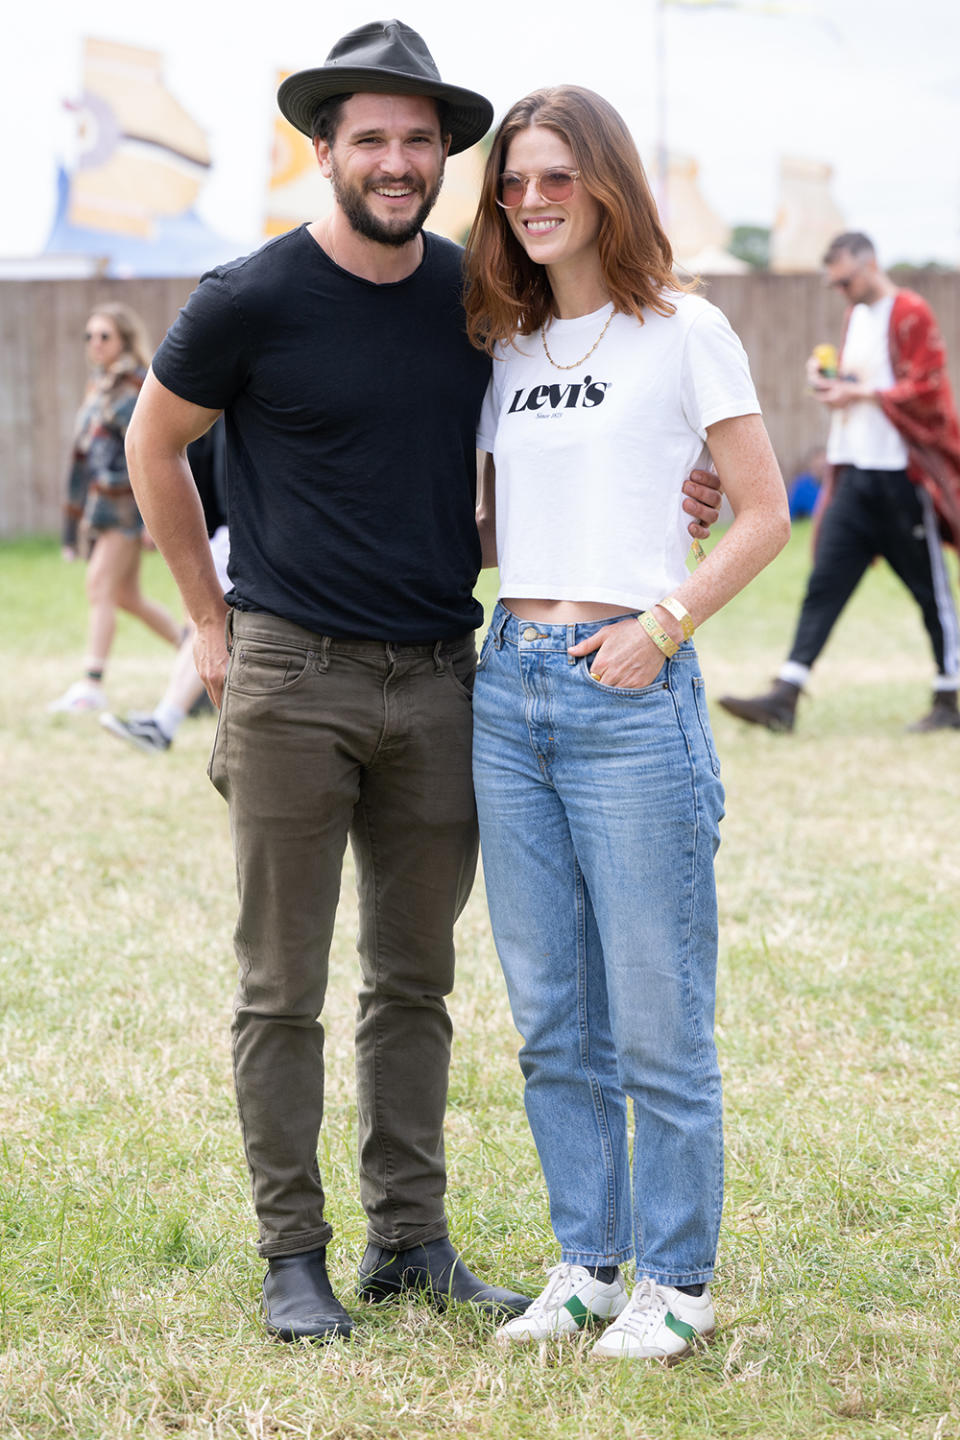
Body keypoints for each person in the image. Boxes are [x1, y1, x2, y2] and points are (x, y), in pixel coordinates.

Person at [123, 21, 722, 1345]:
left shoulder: (476, 305)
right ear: (323, 148)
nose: (395, 162)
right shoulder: (249, 297)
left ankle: (412, 1241)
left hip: (451, 681)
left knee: (414, 983)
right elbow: (151, 444)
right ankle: (295, 1254)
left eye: (417, 141)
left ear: (442, 156)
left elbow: (540, 460)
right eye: (369, 139)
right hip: (289, 677)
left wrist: (659, 494)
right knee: (279, 986)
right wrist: (208, 630)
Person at [463, 85, 789, 1360]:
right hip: (509, 685)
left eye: (556, 177)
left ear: (606, 184)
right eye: (512, 183)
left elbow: (759, 510)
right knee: (552, 1013)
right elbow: (499, 530)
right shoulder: (506, 348)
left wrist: (662, 624)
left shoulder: (686, 330)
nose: (532, 200)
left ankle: (678, 1280)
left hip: (628, 687)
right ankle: (588, 1266)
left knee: (657, 1010)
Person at [719, 232, 960, 734]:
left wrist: (861, 393)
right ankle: (785, 693)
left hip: (901, 479)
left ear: (870, 264)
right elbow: (866, 385)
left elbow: (928, 384)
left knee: (930, 593)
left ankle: (949, 696)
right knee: (824, 582)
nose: (840, 289)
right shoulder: (857, 317)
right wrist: (833, 382)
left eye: (845, 279)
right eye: (833, 283)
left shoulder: (909, 309)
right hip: (853, 476)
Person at [49, 303, 183, 714]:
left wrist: (149, 518)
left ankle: (92, 685)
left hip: (127, 508)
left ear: (124, 338)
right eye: (89, 336)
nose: (95, 343)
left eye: (104, 335)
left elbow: (147, 453)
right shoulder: (102, 384)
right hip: (102, 507)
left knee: (100, 586)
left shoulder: (137, 386)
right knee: (126, 597)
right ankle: (194, 653)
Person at [101, 420, 228, 753]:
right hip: (223, 528)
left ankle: (166, 721)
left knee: (211, 620)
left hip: (237, 529)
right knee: (205, 621)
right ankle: (176, 714)